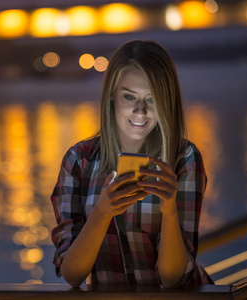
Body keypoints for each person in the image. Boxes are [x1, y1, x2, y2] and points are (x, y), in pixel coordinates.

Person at [50, 40, 213, 288]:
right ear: (112, 96)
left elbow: (172, 278)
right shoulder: (78, 161)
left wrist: (169, 209)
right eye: (129, 97)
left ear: (166, 101)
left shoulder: (184, 158)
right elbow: (72, 274)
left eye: (152, 99)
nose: (140, 111)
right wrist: (102, 213)